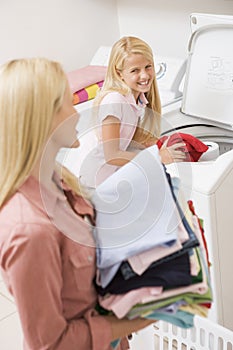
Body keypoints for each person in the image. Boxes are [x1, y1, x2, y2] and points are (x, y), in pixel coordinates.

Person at [0, 58, 154, 350]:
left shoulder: (59, 182)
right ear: (41, 118)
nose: (77, 113)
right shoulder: (28, 231)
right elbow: (51, 344)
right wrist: (138, 319)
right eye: (67, 104)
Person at [78, 36, 185, 189]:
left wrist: (155, 145)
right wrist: (158, 157)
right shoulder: (114, 101)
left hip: (111, 173)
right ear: (119, 73)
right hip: (95, 180)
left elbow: (125, 137)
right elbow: (112, 155)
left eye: (148, 66)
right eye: (135, 70)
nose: (145, 75)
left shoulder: (137, 99)